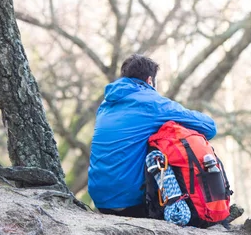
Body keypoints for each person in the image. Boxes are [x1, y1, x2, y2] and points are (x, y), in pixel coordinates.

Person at [88, 54, 217, 217]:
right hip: (131, 204)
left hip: (100, 199)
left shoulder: (106, 105)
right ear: (149, 81)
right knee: (166, 141)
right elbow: (210, 127)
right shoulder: (154, 103)